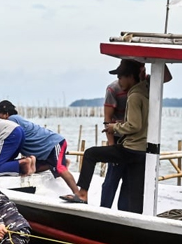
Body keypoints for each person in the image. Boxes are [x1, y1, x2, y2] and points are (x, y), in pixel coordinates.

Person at [61, 59, 149, 213]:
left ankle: (82, 194)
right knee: (132, 190)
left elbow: (134, 125)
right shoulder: (146, 89)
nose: (119, 81)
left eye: (121, 76)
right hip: (143, 150)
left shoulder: (134, 95)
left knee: (90, 154)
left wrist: (114, 127)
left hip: (131, 148)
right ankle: (133, 219)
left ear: (130, 76)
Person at [101, 60, 172, 210]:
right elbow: (107, 120)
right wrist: (111, 145)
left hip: (137, 141)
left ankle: (124, 213)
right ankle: (103, 210)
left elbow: (166, 76)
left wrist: (156, 59)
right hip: (119, 137)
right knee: (112, 179)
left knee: (130, 181)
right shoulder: (113, 89)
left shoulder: (146, 84)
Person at [0, 100, 80, 195]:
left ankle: (78, 194)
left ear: (6, 114)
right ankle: (59, 162)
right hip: (45, 150)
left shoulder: (11, 120)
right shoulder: (15, 120)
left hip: (53, 143)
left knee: (59, 168)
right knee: (32, 168)